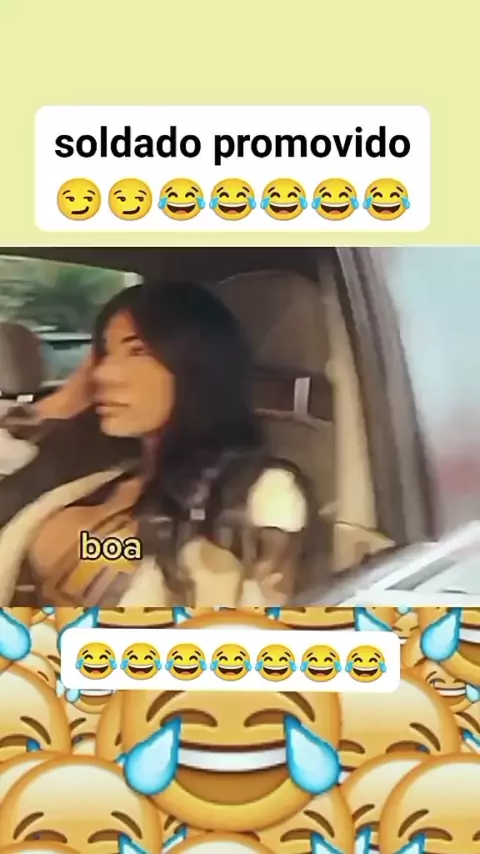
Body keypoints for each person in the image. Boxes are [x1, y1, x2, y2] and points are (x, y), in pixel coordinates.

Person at [0, 280, 312, 608]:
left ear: (196, 365)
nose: (102, 374)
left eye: (137, 351)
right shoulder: (100, 472)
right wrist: (58, 406)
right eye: (105, 353)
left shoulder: (254, 494)